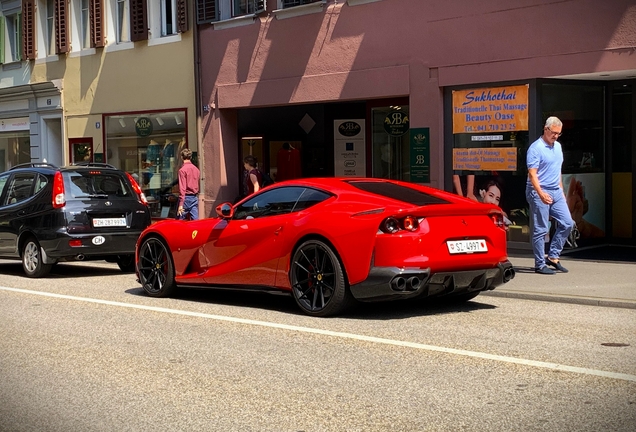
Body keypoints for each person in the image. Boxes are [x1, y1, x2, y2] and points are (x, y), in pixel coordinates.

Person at [526, 116, 574, 274]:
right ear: (545, 129)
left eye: (558, 134)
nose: (555, 136)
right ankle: (539, 264)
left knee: (567, 223)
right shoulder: (535, 148)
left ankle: (553, 256)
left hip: (555, 190)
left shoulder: (558, 147)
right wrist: (540, 194)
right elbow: (532, 175)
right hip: (538, 189)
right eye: (553, 132)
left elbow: (557, 170)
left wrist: (561, 191)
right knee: (541, 229)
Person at [177, 148, 200, 220]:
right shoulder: (196, 169)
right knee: (195, 222)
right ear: (191, 157)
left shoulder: (182, 170)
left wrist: (181, 204)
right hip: (194, 197)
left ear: (181, 157)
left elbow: (182, 188)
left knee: (180, 222)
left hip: (185, 199)